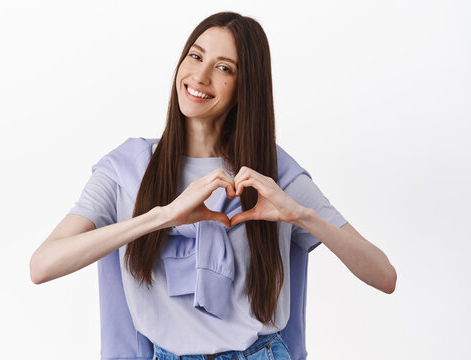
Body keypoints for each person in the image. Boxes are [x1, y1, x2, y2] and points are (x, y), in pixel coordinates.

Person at [29, 11, 397, 360]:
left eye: (223, 68)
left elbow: (383, 275)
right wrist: (162, 216)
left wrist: (301, 216)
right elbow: (42, 266)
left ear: (243, 88)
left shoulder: (272, 173)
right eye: (195, 56)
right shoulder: (127, 168)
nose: (200, 76)